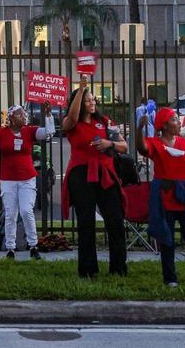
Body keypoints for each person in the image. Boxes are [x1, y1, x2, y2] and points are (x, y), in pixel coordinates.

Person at [61, 79, 127, 278]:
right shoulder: (71, 123)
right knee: (86, 222)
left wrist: (109, 143)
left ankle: (118, 268)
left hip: (105, 173)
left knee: (115, 220)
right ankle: (88, 270)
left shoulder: (105, 122)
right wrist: (81, 89)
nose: (92, 102)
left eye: (93, 99)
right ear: (79, 102)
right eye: (88, 100)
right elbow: (71, 117)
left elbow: (124, 146)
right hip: (81, 175)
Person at [140, 107, 185, 286]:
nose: (179, 122)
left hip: (184, 196)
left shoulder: (183, 142)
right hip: (165, 197)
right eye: (175, 119)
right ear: (165, 125)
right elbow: (142, 148)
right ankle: (170, 278)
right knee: (167, 240)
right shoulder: (155, 142)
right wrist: (139, 128)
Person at [0, 100, 55, 259]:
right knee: (11, 214)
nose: (24, 116)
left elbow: (49, 133)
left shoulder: (29, 131)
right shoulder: (1, 133)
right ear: (11, 118)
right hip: (8, 179)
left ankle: (33, 245)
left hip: (27, 178)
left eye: (24, 114)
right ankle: (10, 248)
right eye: (20, 114)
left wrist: (48, 114)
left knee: (26, 211)